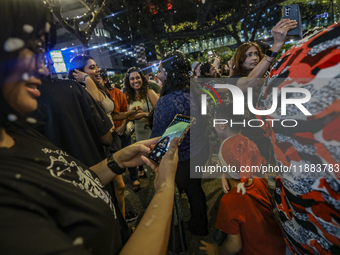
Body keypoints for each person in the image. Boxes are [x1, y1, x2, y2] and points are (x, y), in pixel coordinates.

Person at [0, 1, 180, 254]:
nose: (42, 68)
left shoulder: (17, 133)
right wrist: (164, 187)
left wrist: (116, 161)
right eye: (28, 51)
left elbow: (70, 183)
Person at [257, 22, 340, 255]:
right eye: (249, 55)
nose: (254, 57)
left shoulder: (288, 60)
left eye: (256, 53)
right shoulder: (290, 59)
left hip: (299, 229)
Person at [153, 50, 210, 236]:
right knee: (196, 189)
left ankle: (188, 233)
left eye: (160, 69)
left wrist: (154, 160)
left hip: (183, 159)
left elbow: (165, 140)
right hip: (201, 150)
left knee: (184, 194)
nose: (158, 73)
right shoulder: (198, 91)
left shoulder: (168, 101)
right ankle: (200, 225)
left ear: (168, 73)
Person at [199, 135, 286, 255]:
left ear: (220, 165)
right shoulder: (259, 180)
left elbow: (235, 246)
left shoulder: (228, 202)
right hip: (278, 243)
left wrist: (216, 251)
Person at [100, 70, 141, 192]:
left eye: (99, 78)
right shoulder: (96, 95)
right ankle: (117, 182)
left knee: (129, 154)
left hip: (121, 131)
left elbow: (124, 111)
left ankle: (134, 178)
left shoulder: (117, 93)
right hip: (108, 134)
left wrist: (122, 127)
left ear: (105, 80)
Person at [124, 67, 159, 177]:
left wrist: (144, 114)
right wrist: (131, 116)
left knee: (157, 166)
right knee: (147, 165)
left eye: (138, 77)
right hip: (139, 136)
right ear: (128, 82)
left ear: (142, 79)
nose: (135, 81)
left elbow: (161, 113)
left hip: (152, 134)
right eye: (132, 79)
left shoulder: (150, 93)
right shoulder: (129, 97)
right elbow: (129, 116)